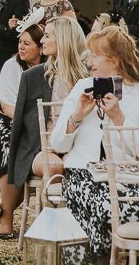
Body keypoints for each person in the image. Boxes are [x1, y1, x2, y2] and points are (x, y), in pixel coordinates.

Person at [50, 26, 139, 265]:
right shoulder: (81, 87)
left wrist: (119, 117)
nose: (90, 62)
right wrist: (77, 115)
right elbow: (57, 143)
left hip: (129, 174)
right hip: (83, 174)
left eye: (96, 56)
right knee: (101, 205)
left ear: (116, 59)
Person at [6, 17, 88, 229]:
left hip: (76, 143)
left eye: (48, 35)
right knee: (55, 165)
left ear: (63, 39)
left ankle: (71, 227)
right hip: (41, 147)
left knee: (79, 164)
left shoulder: (87, 77)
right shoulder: (32, 76)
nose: (42, 40)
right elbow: (20, 126)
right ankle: (50, 230)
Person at [0, 19, 45, 239]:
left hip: (43, 124)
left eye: (27, 43)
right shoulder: (12, 66)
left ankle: (11, 209)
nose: (21, 47)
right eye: (20, 42)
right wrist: (29, 122)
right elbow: (6, 104)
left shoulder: (51, 67)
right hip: (10, 121)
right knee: (10, 146)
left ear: (41, 47)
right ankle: (6, 217)